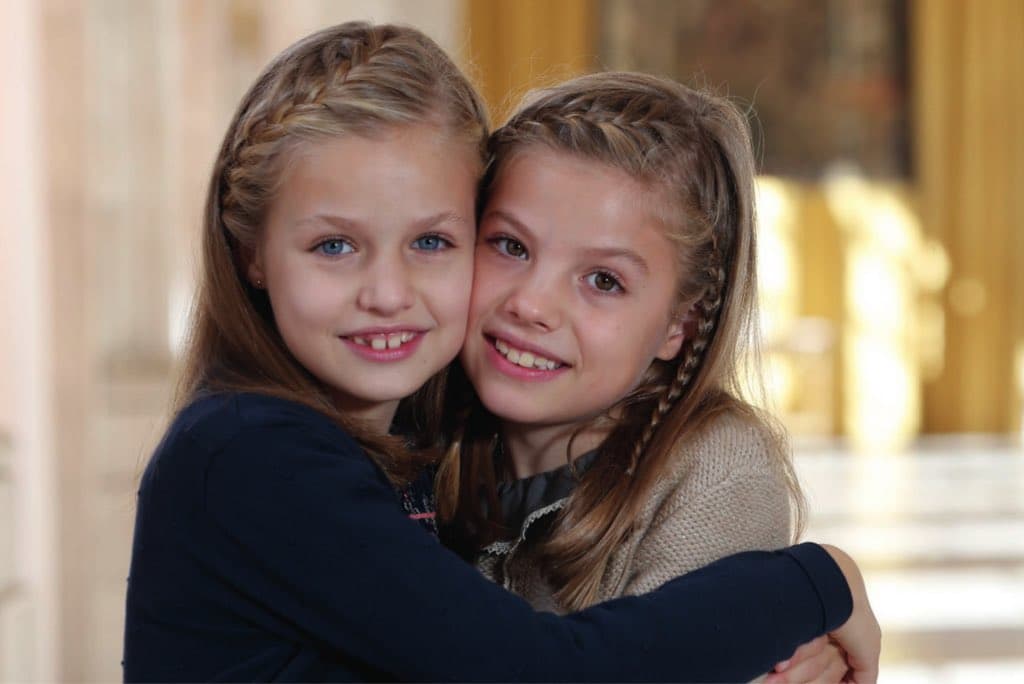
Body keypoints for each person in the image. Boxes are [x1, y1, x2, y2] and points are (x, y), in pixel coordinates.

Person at [122, 22, 879, 683]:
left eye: (430, 241)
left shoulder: (406, 436)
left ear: (683, 322)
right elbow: (538, 671)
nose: (387, 293)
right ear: (251, 252)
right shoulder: (257, 455)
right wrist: (818, 581)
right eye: (334, 245)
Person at [438, 72, 859, 681]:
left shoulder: (718, 476)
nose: (531, 304)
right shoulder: (415, 417)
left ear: (680, 325)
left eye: (603, 281)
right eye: (510, 246)